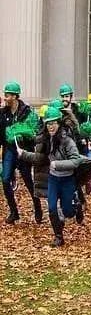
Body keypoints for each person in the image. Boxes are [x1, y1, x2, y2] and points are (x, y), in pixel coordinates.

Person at [16, 107, 84, 247]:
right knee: (52, 208)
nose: (50, 126)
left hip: (67, 179)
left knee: (67, 212)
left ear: (59, 123)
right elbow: (40, 157)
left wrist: (58, 164)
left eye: (53, 123)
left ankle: (76, 206)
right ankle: (58, 236)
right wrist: (23, 153)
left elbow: (76, 160)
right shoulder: (46, 139)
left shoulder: (67, 140)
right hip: (53, 179)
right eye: (48, 123)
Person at [0, 81, 42, 224]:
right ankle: (14, 212)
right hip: (9, 151)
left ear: (15, 96)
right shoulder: (2, 113)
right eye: (5, 95)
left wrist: (24, 136)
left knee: (28, 182)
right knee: (5, 180)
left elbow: (34, 132)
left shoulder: (27, 112)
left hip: (24, 152)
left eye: (7, 95)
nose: (5, 98)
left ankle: (37, 207)